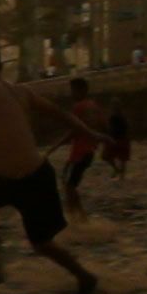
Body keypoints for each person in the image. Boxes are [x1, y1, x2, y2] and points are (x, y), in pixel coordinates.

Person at [0, 45, 109, 293]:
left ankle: (83, 276)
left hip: (28, 177)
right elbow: (61, 115)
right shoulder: (21, 91)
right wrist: (90, 132)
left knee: (38, 241)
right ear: (0, 67)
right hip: (25, 174)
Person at [46, 77, 107, 219]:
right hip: (89, 152)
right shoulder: (94, 106)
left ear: (82, 90)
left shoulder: (79, 107)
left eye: (73, 90)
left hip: (79, 153)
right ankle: (75, 214)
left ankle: (76, 216)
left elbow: (73, 131)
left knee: (68, 185)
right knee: (69, 183)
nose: (71, 93)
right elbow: (104, 126)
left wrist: (55, 146)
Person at [104, 109, 131, 179]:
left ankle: (120, 173)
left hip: (118, 138)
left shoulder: (115, 117)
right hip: (120, 138)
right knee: (122, 158)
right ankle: (120, 173)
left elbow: (110, 128)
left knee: (120, 158)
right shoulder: (122, 117)